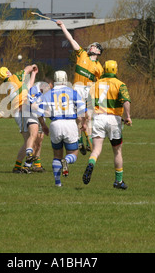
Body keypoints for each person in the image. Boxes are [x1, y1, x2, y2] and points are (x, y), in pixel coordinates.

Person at [56, 20, 104, 155]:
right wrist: (62, 26)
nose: (91, 47)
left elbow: (100, 85)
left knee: (88, 117)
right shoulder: (82, 53)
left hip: (89, 91)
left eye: (94, 46)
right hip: (77, 89)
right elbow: (70, 38)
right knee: (78, 118)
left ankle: (88, 143)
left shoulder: (99, 68)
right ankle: (79, 140)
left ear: (98, 51)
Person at [82, 60, 132, 190]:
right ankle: (118, 181)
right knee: (117, 151)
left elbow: (88, 106)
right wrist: (127, 117)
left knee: (96, 149)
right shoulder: (120, 85)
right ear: (115, 70)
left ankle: (91, 163)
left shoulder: (95, 85)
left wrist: (86, 121)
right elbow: (126, 102)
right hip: (114, 120)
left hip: (98, 118)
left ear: (104, 70)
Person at [37, 71, 87, 187]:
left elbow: (39, 113)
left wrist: (44, 125)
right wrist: (83, 123)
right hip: (70, 123)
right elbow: (83, 111)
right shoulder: (73, 92)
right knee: (73, 154)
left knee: (57, 155)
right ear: (65, 79)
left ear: (54, 80)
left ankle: (57, 183)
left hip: (55, 124)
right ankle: (67, 161)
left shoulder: (48, 94)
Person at [0, 64, 38, 173]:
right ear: (6, 73)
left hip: (19, 112)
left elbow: (28, 87)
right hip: (22, 111)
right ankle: (26, 165)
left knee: (28, 142)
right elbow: (27, 69)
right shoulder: (14, 77)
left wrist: (34, 74)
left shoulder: (10, 84)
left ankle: (18, 167)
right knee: (31, 139)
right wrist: (33, 66)